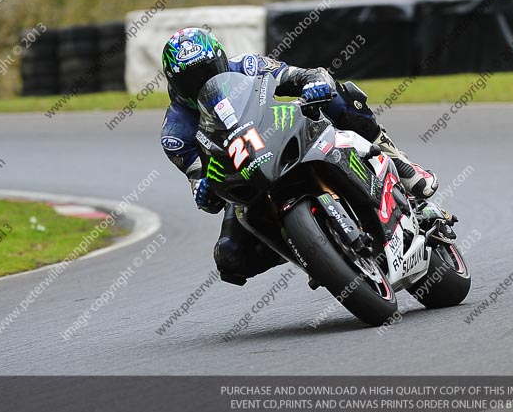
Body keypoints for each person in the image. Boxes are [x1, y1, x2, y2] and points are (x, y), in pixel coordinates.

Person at [159, 27, 438, 285]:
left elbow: (301, 75)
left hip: (281, 133)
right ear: (174, 85)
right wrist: (204, 191)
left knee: (339, 97)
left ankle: (401, 165)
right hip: (245, 175)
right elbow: (200, 181)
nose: (202, 83)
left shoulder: (247, 66)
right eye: (190, 81)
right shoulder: (175, 133)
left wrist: (314, 84)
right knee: (230, 259)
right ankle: (315, 255)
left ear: (220, 61)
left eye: (207, 72)